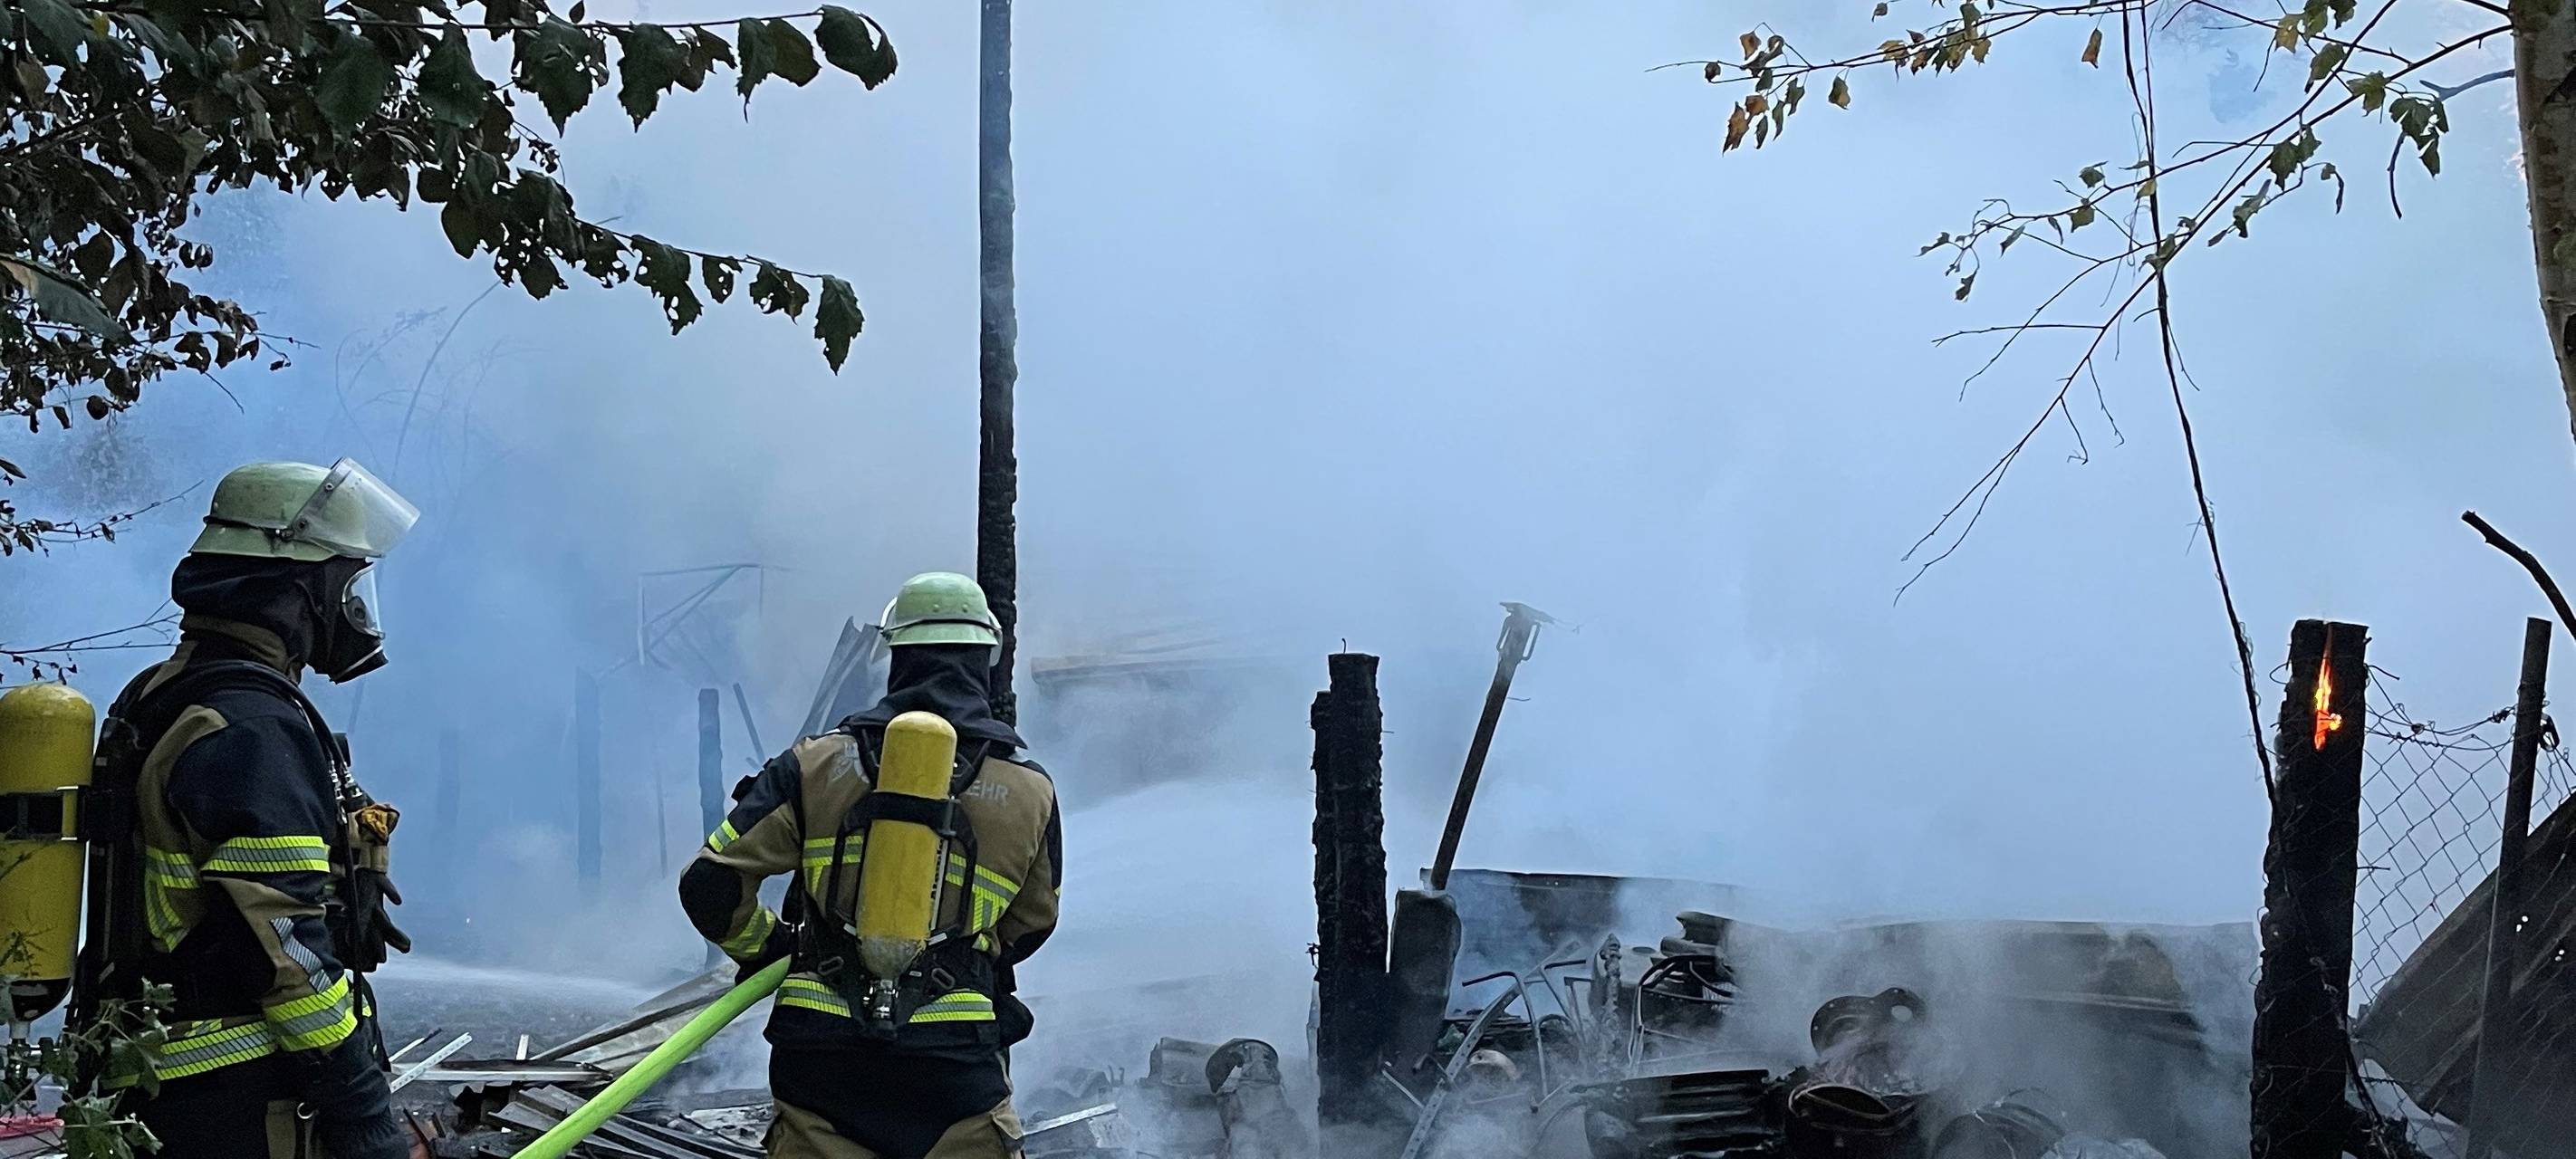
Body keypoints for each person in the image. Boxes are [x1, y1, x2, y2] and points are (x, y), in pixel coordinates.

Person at [78, 458, 419, 1159]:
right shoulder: (252, 726)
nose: (354, 607)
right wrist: (360, 1107)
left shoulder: (163, 692)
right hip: (230, 1098)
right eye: (344, 581)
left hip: (153, 1082)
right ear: (296, 591)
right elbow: (286, 949)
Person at [681, 572, 1062, 1159]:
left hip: (822, 1068)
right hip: (955, 1071)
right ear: (987, 657)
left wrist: (770, 947)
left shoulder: (815, 764)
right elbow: (1031, 926)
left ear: (895, 657)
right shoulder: (1028, 791)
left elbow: (709, 885)